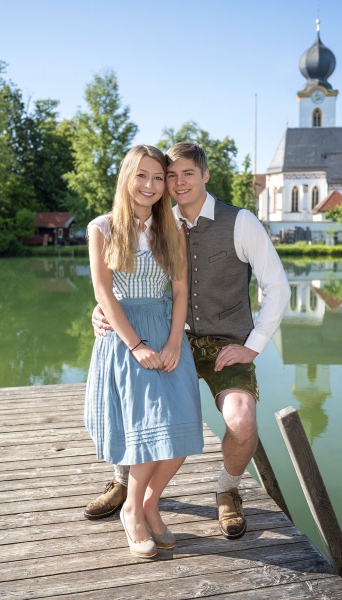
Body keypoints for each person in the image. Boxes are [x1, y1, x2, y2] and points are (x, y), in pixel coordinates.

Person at [87, 142, 290, 540]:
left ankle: (227, 489)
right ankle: (125, 483)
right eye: (170, 175)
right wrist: (98, 311)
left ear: (205, 175)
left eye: (185, 174)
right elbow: (116, 283)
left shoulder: (241, 221)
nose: (175, 183)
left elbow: (278, 288)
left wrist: (253, 345)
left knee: (241, 420)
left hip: (222, 341)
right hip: (167, 334)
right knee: (140, 409)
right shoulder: (158, 217)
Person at [84, 144, 204, 558]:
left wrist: (174, 341)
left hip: (167, 330)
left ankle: (149, 502)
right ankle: (132, 510)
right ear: (126, 178)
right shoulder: (101, 228)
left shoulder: (171, 228)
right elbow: (103, 292)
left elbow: (181, 288)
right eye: (142, 175)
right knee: (148, 429)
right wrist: (135, 345)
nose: (150, 185)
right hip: (125, 335)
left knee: (184, 428)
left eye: (158, 177)